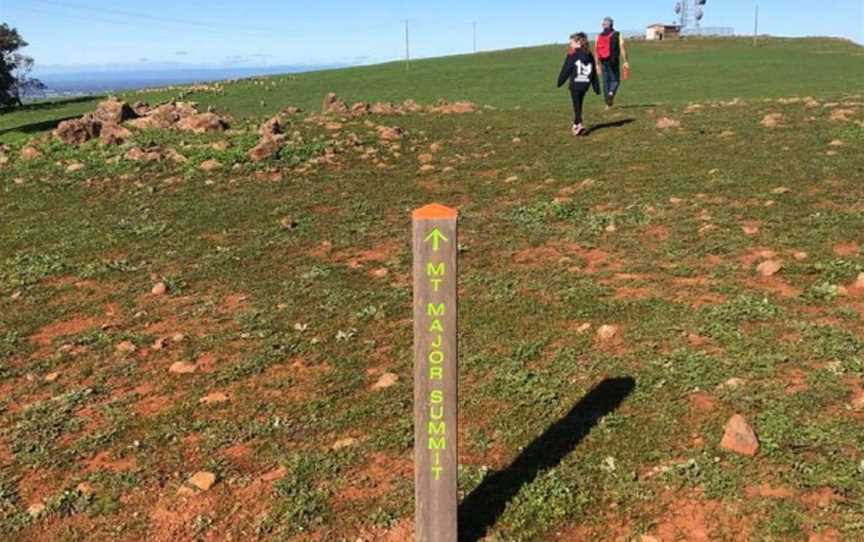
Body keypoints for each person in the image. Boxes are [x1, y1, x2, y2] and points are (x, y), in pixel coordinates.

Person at [557, 32, 600, 136]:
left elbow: (566, 69)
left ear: (578, 42)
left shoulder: (572, 54)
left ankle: (577, 124)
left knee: (576, 105)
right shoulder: (589, 54)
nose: (570, 45)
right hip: (585, 84)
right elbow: (594, 71)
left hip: (575, 84)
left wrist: (560, 81)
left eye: (571, 42)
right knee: (579, 104)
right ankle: (577, 124)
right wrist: (596, 86)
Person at [595, 16, 629, 108]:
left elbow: (596, 50)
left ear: (603, 25)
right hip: (613, 61)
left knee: (606, 81)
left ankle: (607, 104)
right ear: (612, 24)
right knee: (615, 80)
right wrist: (625, 61)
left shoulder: (598, 36)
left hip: (603, 60)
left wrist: (597, 64)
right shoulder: (617, 34)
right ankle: (611, 94)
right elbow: (622, 48)